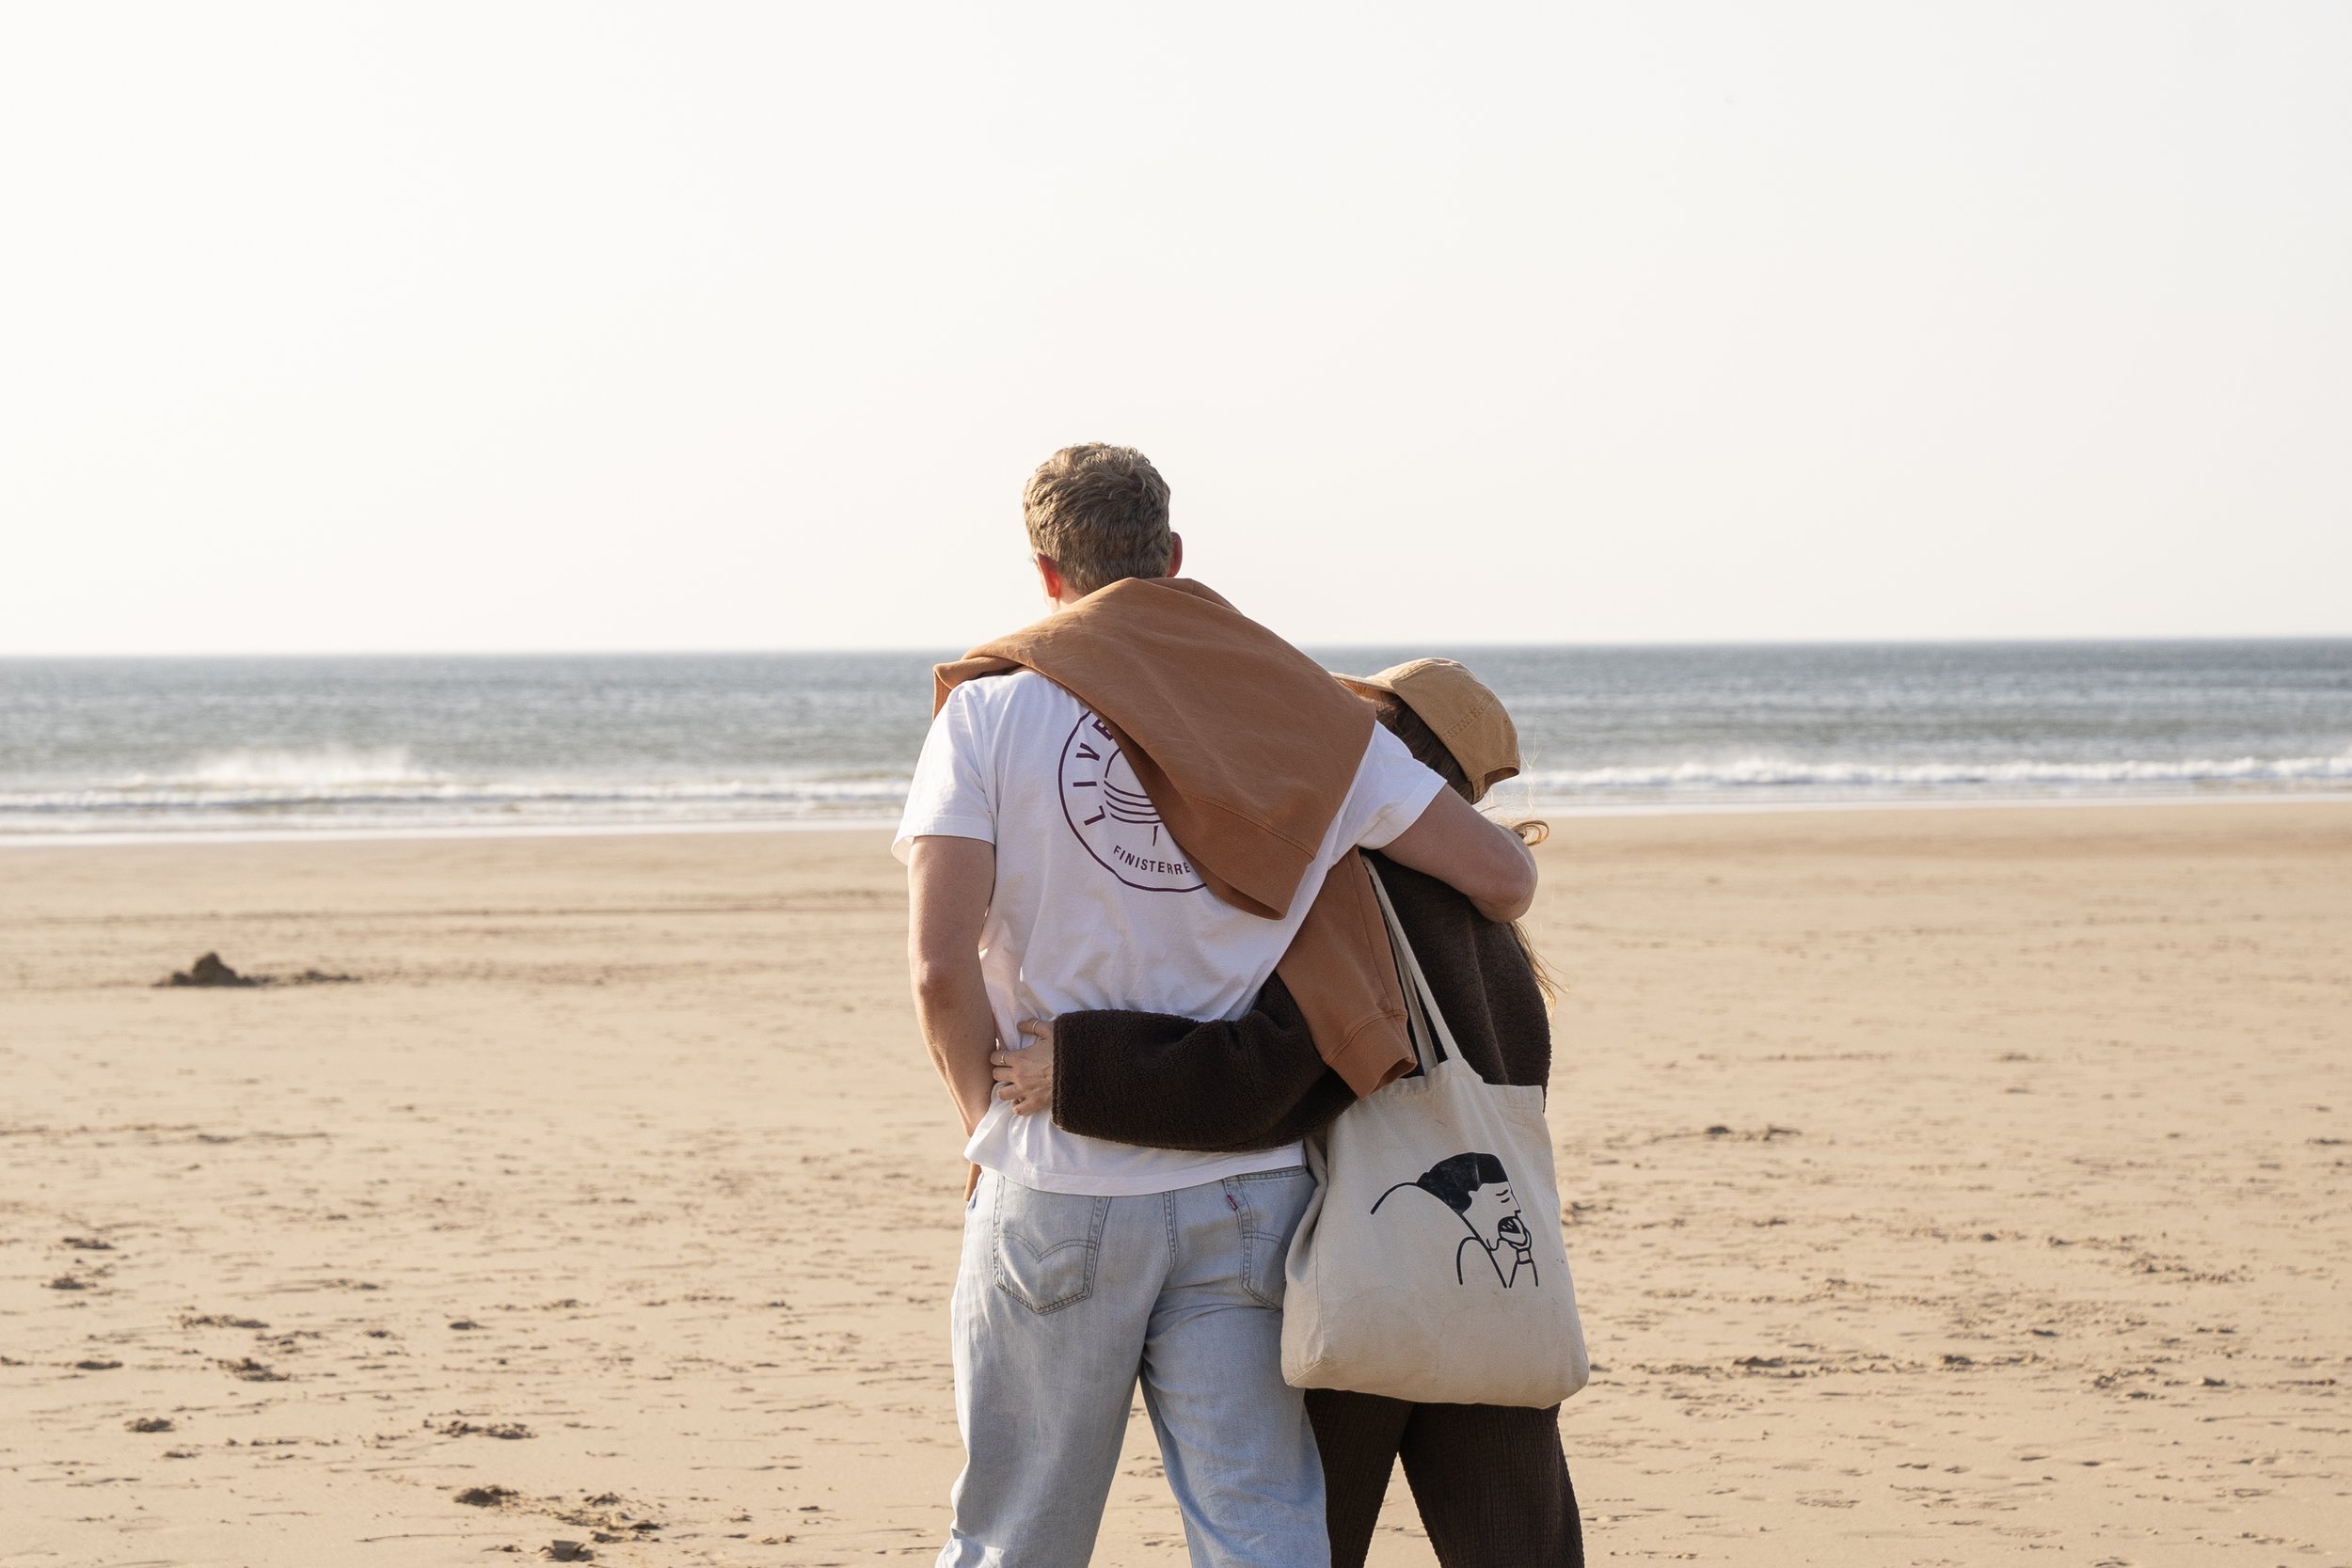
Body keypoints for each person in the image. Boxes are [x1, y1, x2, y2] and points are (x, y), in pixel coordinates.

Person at [898, 446, 1539, 1568]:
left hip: (1056, 1175)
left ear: (1046, 575)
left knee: (1016, 1536)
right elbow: (1503, 875)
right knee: (1261, 1529)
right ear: (1174, 554)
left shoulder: (987, 715)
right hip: (1246, 1186)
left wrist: (987, 1127)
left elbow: (939, 966)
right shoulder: (1294, 709)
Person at [991, 658, 1585, 1568]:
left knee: (1307, 1547)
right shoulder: (1489, 920)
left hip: (1364, 1267)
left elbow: (1268, 1080)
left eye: (1356, 721)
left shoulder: (1361, 889)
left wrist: (1077, 1065)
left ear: (1395, 750)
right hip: (1494, 1276)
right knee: (1521, 1547)